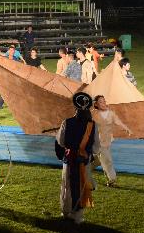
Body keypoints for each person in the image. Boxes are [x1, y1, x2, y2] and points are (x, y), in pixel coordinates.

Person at [56, 92, 100, 224]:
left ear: (75, 107)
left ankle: (66, 211)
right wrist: (87, 152)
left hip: (69, 160)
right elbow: (96, 146)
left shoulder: (67, 122)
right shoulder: (93, 125)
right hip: (83, 160)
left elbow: (61, 141)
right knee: (81, 186)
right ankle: (78, 216)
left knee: (67, 185)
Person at [93, 95, 132, 187]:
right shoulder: (93, 114)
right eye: (101, 102)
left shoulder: (111, 113)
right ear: (96, 104)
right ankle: (112, 180)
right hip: (97, 141)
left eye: (104, 101)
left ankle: (84, 170)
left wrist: (127, 129)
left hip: (107, 141)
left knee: (98, 160)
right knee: (108, 160)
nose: (103, 103)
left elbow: (119, 122)